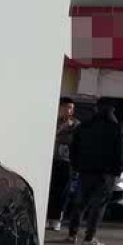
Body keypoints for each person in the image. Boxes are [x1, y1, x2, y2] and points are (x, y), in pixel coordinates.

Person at [65, 97, 123, 245]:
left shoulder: (85, 126)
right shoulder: (114, 128)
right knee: (98, 206)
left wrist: (76, 165)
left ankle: (72, 234)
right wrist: (118, 171)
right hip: (106, 174)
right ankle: (89, 237)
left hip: (85, 170)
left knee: (80, 203)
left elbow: (74, 148)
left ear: (96, 108)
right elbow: (119, 152)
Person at [47, 97, 79, 230]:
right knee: (50, 189)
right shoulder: (53, 121)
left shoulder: (76, 125)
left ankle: (56, 219)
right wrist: (61, 127)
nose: (69, 111)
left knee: (62, 192)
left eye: (71, 108)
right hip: (51, 160)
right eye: (67, 107)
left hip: (66, 161)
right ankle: (47, 216)